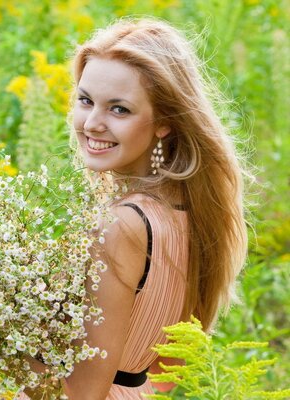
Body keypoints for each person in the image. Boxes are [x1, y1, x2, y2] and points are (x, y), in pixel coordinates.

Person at [20, 17, 248, 399]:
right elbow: (164, 371)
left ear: (164, 122)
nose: (92, 123)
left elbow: (82, 394)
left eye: (119, 110)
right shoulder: (185, 212)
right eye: (85, 100)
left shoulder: (122, 225)